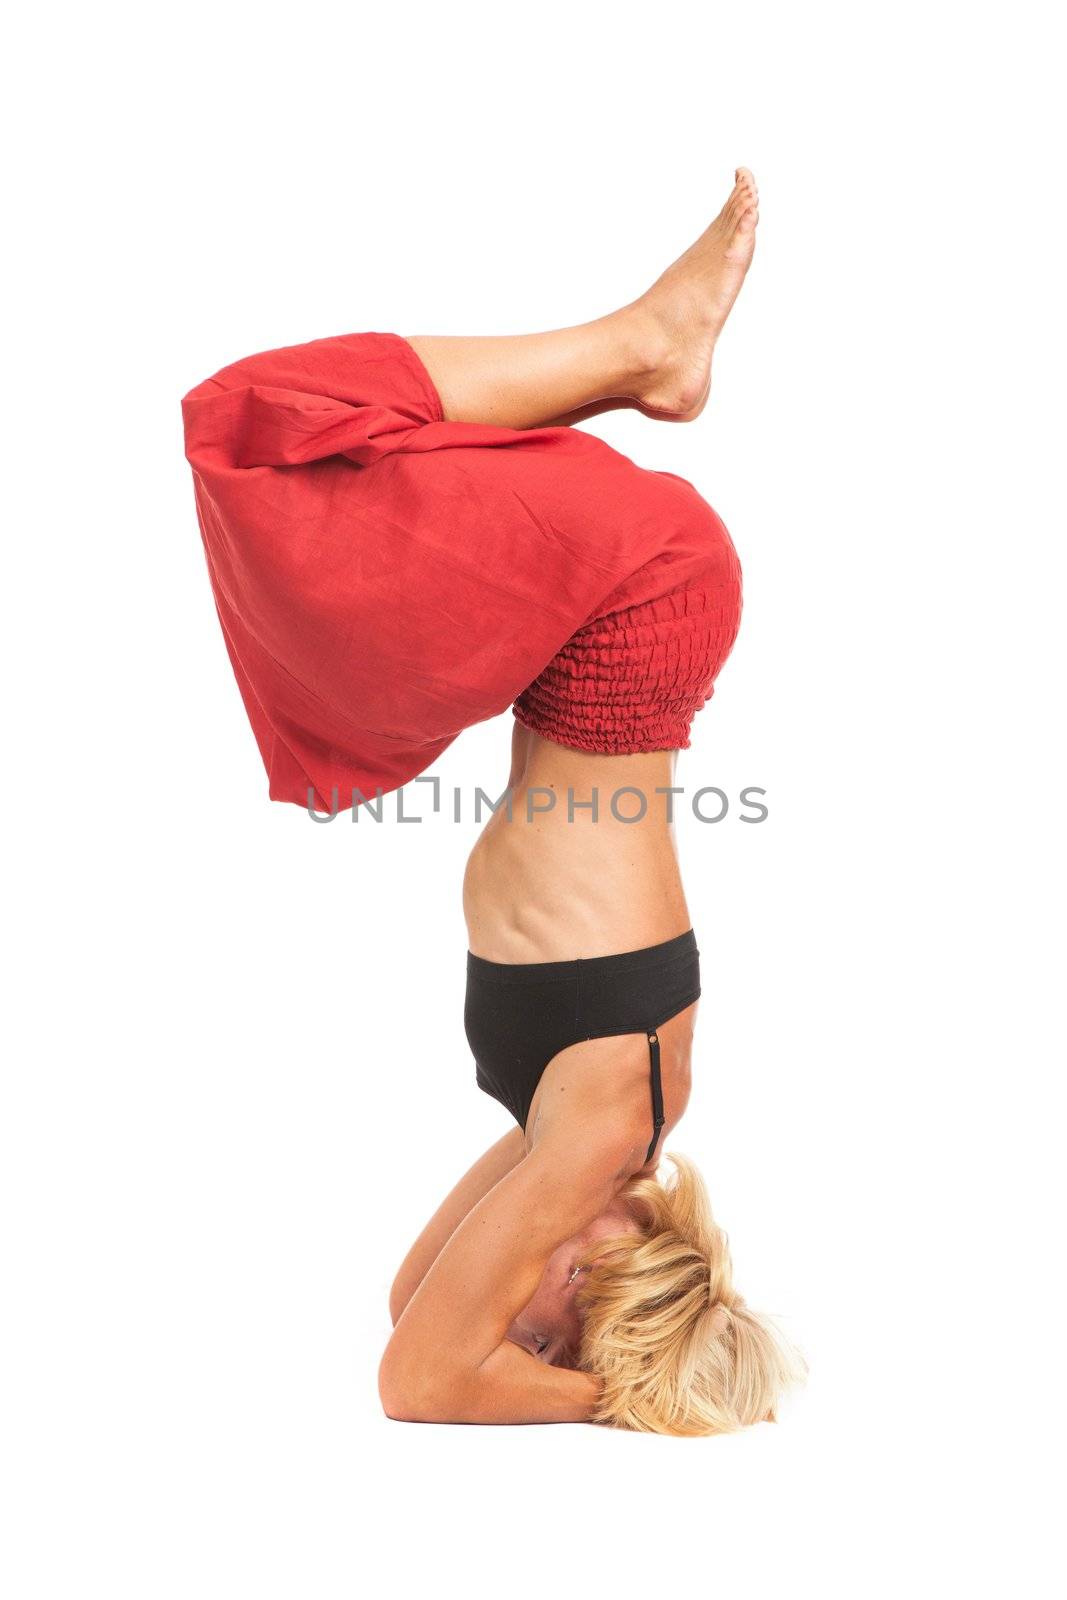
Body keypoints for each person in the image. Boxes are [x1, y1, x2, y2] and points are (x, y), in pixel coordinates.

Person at [182, 169, 803, 1434]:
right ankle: (646, 346)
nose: (508, 1315)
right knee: (267, 427)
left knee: (291, 455)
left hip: (591, 638)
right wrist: (601, 1402)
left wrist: (578, 1362)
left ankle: (643, 349)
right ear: (593, 1281)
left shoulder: (577, 1145)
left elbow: (412, 1303)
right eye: (543, 1324)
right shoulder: (601, 1131)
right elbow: (423, 1380)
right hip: (635, 603)